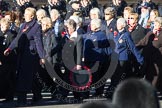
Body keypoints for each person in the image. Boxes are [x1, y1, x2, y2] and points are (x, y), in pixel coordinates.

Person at [4, 7, 45, 106]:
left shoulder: (36, 26)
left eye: (26, 14)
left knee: (27, 77)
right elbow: (17, 38)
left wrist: (42, 57)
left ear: (32, 16)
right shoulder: (23, 25)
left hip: (31, 55)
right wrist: (9, 48)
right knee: (26, 77)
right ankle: (35, 97)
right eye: (24, 14)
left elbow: (38, 42)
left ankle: (24, 100)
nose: (24, 16)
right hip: (22, 54)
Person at [105, 18, 144, 99]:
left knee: (118, 77)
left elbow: (132, 47)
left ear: (123, 25)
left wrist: (140, 59)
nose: (117, 25)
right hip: (116, 59)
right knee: (117, 77)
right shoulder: (117, 34)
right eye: (117, 23)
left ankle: (112, 93)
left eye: (119, 24)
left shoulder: (126, 35)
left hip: (123, 59)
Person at [83, 18, 112, 97]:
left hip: (96, 59)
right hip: (88, 59)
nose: (90, 26)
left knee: (96, 77)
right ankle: (86, 92)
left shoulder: (101, 35)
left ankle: (99, 92)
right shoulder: (88, 34)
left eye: (92, 24)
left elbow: (105, 44)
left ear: (96, 26)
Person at [0, 18, 17, 102]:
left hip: (10, 60)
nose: (3, 28)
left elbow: (13, 47)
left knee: (10, 78)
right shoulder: (0, 34)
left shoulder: (12, 34)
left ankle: (10, 96)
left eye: (5, 26)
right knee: (3, 78)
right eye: (2, 26)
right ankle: (3, 94)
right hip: (2, 60)